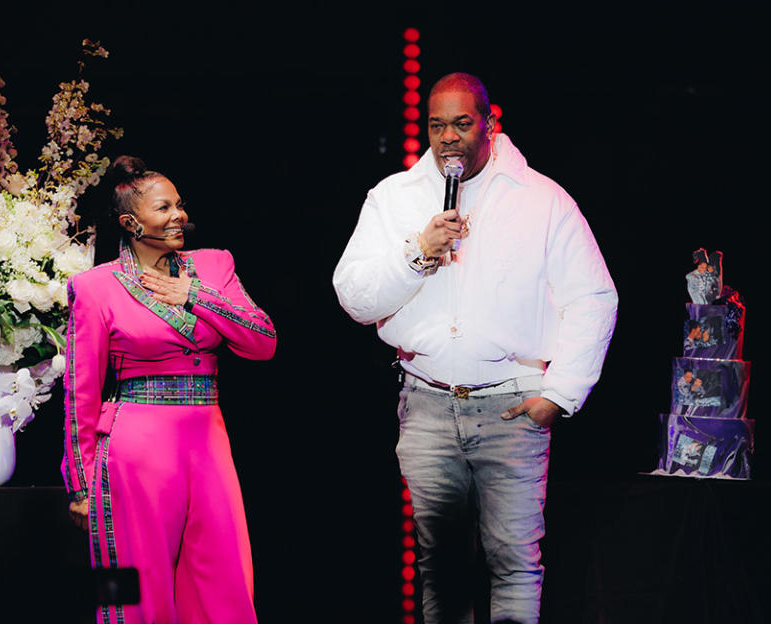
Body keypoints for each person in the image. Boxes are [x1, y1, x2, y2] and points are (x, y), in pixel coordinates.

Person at [333, 73, 618, 624]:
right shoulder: (394, 198)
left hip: (513, 407)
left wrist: (559, 394)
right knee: (441, 564)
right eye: (437, 125)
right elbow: (355, 298)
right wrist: (418, 251)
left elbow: (593, 297)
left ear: (490, 124)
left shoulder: (541, 200)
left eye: (462, 124)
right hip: (426, 405)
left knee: (513, 560)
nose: (448, 138)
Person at [62, 156, 276, 624]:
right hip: (136, 447)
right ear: (130, 223)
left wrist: (195, 296)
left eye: (180, 205)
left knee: (223, 573)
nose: (178, 215)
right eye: (164, 208)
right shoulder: (95, 288)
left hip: (207, 438)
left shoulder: (214, 266)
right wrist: (80, 482)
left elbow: (263, 342)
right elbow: (81, 391)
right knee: (136, 579)